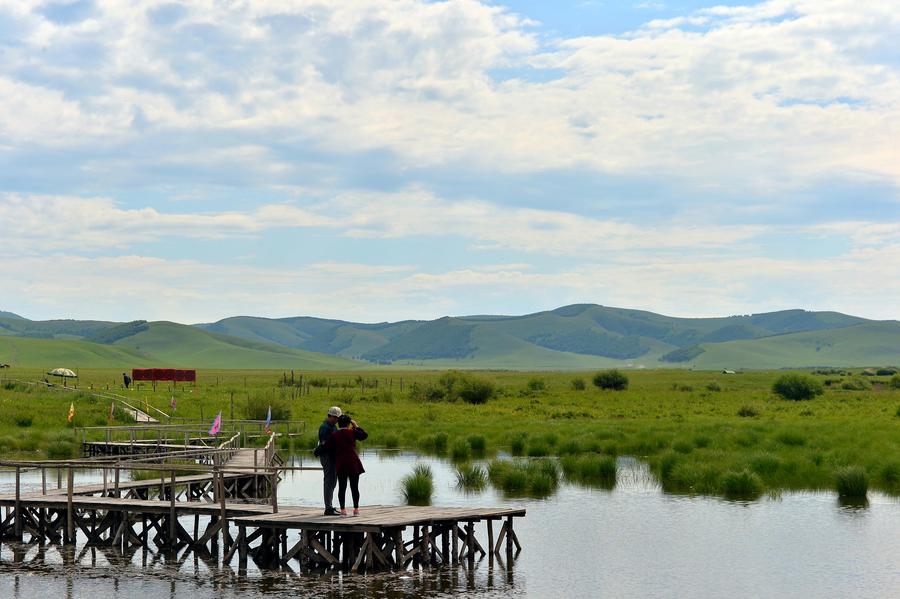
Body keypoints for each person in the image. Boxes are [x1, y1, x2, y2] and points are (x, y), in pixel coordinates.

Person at [325, 414, 368, 516]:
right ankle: (356, 510)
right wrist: (356, 426)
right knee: (355, 487)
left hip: (341, 463)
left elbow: (327, 446)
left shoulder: (335, 434)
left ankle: (343, 510)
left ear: (338, 423)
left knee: (342, 487)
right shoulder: (352, 432)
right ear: (349, 424)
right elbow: (364, 435)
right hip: (354, 462)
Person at [318, 406, 342, 516]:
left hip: (333, 456)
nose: (337, 419)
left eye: (338, 418)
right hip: (327, 456)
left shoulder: (333, 426)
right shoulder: (325, 427)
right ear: (330, 416)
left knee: (333, 481)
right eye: (335, 417)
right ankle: (328, 507)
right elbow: (325, 443)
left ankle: (330, 506)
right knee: (329, 481)